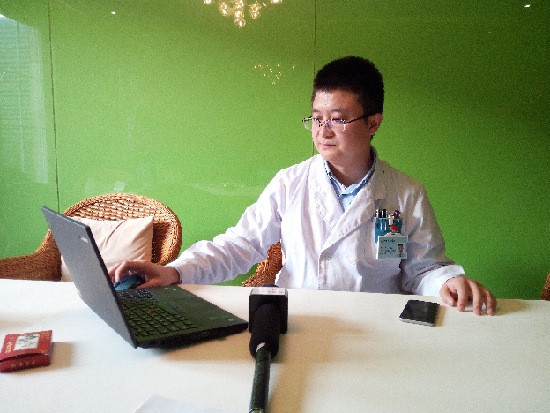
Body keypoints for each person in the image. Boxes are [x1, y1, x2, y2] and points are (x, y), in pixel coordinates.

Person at [110, 56, 496, 315]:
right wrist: (175, 271)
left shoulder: (406, 193)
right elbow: (239, 245)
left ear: (373, 123)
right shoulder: (290, 183)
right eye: (316, 118)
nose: (322, 131)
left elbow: (422, 269)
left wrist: (448, 281)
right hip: (299, 317)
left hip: (376, 321)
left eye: (338, 119)